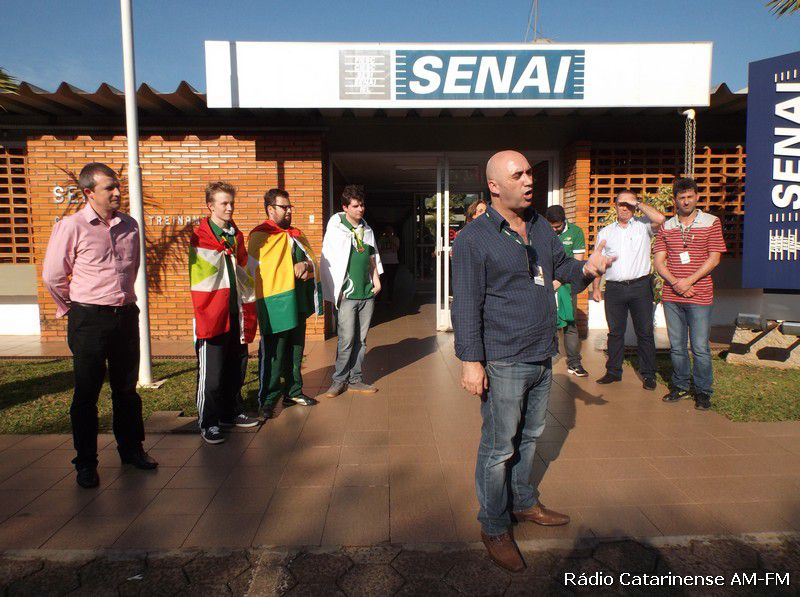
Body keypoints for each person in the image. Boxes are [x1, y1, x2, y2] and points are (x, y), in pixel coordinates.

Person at [451, 150, 615, 572]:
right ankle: (493, 526)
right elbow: (465, 304)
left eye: (529, 173)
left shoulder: (540, 225)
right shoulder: (473, 239)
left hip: (543, 352)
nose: (528, 180)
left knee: (530, 436)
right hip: (503, 358)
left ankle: (523, 501)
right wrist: (471, 362)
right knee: (498, 447)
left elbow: (563, 268)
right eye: (517, 175)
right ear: (494, 186)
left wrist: (588, 268)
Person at [42, 162, 158, 488]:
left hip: (125, 316)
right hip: (89, 320)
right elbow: (53, 276)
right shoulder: (71, 226)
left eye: (117, 186)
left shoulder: (130, 225)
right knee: (87, 394)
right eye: (109, 187)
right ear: (88, 192)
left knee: (126, 390)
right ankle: (85, 463)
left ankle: (132, 450)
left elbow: (132, 267)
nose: (117, 192)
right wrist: (73, 309)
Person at [189, 182, 260, 445]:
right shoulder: (201, 236)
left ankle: (231, 412)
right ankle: (208, 422)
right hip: (213, 314)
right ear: (211, 206)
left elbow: (242, 267)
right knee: (212, 374)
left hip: (236, 311)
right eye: (224, 203)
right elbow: (201, 275)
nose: (230, 208)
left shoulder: (235, 235)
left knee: (236, 366)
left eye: (231, 203)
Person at [248, 189, 322, 417]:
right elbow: (253, 272)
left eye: (290, 207)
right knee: (274, 353)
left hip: (297, 302)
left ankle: (293, 391)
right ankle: (267, 399)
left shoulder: (296, 234)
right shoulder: (260, 236)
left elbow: (313, 262)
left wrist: (306, 266)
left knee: (296, 350)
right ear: (270, 209)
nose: (289, 211)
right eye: (284, 207)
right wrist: (291, 269)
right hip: (275, 304)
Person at [654, 177, 725, 410]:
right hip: (672, 296)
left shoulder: (711, 222)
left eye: (689, 196)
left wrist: (688, 281)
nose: (686, 201)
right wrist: (676, 283)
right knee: (676, 346)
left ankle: (703, 391)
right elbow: (659, 262)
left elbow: (714, 258)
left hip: (700, 295)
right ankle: (681, 386)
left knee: (700, 347)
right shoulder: (667, 227)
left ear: (697, 197)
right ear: (675, 200)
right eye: (681, 197)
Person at [592, 190, 666, 390]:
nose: (624, 208)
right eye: (620, 204)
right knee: (615, 333)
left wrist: (638, 203)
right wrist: (596, 287)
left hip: (640, 287)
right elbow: (598, 261)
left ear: (634, 206)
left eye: (628, 204)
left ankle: (648, 374)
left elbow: (660, 219)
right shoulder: (606, 232)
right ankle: (613, 372)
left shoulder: (643, 226)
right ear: (615, 206)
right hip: (614, 288)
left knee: (645, 332)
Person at [320, 185, 383, 398]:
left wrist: (376, 281)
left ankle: (356, 379)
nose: (360, 209)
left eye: (362, 205)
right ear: (345, 207)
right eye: (355, 206)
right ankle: (339, 380)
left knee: (361, 340)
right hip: (347, 294)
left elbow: (371, 257)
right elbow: (329, 260)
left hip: (367, 294)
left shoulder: (367, 230)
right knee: (346, 340)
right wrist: (336, 290)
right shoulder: (336, 228)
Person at [544, 205, 588, 377]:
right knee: (544, 322)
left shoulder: (576, 232)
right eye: (551, 226)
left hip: (566, 286)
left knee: (570, 323)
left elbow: (576, 264)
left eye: (558, 226)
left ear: (564, 221)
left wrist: (560, 280)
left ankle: (574, 362)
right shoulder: (542, 232)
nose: (554, 230)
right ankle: (542, 361)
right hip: (545, 286)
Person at [376, 225, 400, 303]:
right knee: (382, 280)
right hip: (383, 262)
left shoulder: (396, 239)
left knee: (391, 281)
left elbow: (395, 249)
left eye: (390, 231)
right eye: (387, 231)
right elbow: (379, 251)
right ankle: (378, 298)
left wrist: (390, 240)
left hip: (393, 262)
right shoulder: (381, 240)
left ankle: (390, 298)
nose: (388, 232)